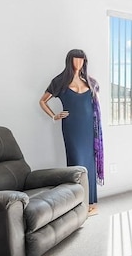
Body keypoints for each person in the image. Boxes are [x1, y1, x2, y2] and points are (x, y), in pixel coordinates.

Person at [39, 49, 104, 216]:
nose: (78, 63)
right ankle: (77, 202)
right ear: (69, 61)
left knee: (89, 163)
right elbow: (42, 101)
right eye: (75, 60)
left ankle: (89, 202)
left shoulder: (91, 82)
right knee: (76, 163)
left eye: (81, 60)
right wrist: (54, 116)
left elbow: (96, 106)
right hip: (72, 127)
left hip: (90, 129)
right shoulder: (60, 81)